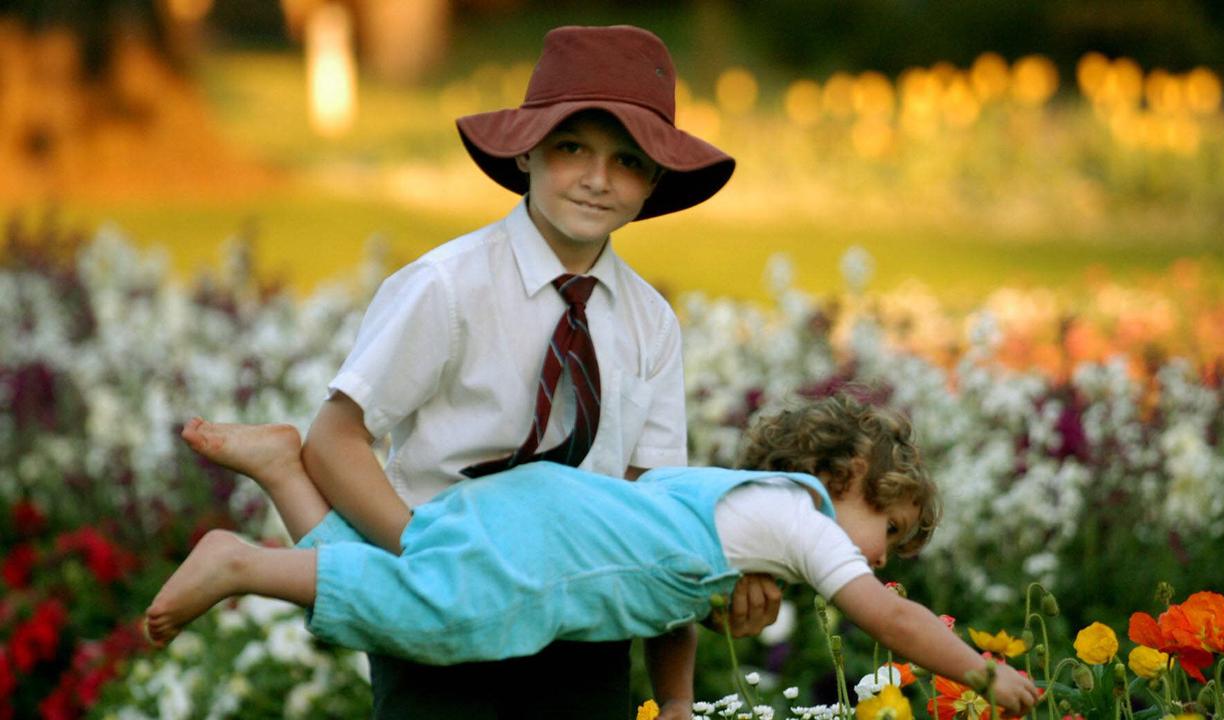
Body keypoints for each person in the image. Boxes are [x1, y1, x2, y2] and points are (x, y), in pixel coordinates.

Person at [287, 23, 771, 719]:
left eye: (627, 161)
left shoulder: (650, 324)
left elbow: (650, 514)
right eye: (571, 148)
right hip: (440, 627)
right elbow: (334, 439)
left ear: (654, 179)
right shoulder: (448, 287)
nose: (597, 179)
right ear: (527, 153)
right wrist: (431, 560)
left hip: (586, 643)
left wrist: (675, 698)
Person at [146, 396, 1041, 717]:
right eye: (891, 538)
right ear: (847, 480)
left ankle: (280, 469)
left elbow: (670, 615)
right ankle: (240, 565)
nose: (887, 567)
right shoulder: (802, 521)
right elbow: (889, 617)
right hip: (545, 552)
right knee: (436, 618)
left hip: (541, 511)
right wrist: (981, 671)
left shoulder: (726, 507)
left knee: (397, 587)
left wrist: (679, 705)